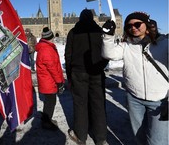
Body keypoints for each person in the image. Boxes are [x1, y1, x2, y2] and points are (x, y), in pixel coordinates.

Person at [101, 11, 168, 145]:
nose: (133, 27)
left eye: (137, 24)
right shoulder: (127, 46)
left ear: (147, 25)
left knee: (157, 141)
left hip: (160, 101)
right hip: (134, 99)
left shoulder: (164, 44)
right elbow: (108, 53)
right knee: (139, 137)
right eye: (129, 25)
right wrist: (108, 36)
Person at [65, 9, 109, 145]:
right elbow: (107, 53)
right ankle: (101, 138)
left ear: (80, 18)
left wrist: (69, 74)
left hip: (78, 73)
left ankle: (81, 136)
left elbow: (68, 55)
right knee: (98, 104)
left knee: (80, 104)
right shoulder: (100, 32)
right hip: (96, 73)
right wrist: (101, 66)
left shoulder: (73, 32)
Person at [35, 27, 65, 131]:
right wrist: (59, 82)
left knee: (49, 102)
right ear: (49, 37)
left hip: (47, 80)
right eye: (52, 37)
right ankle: (46, 123)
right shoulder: (46, 49)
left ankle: (46, 119)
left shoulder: (45, 47)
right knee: (50, 102)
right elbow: (52, 68)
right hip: (49, 81)